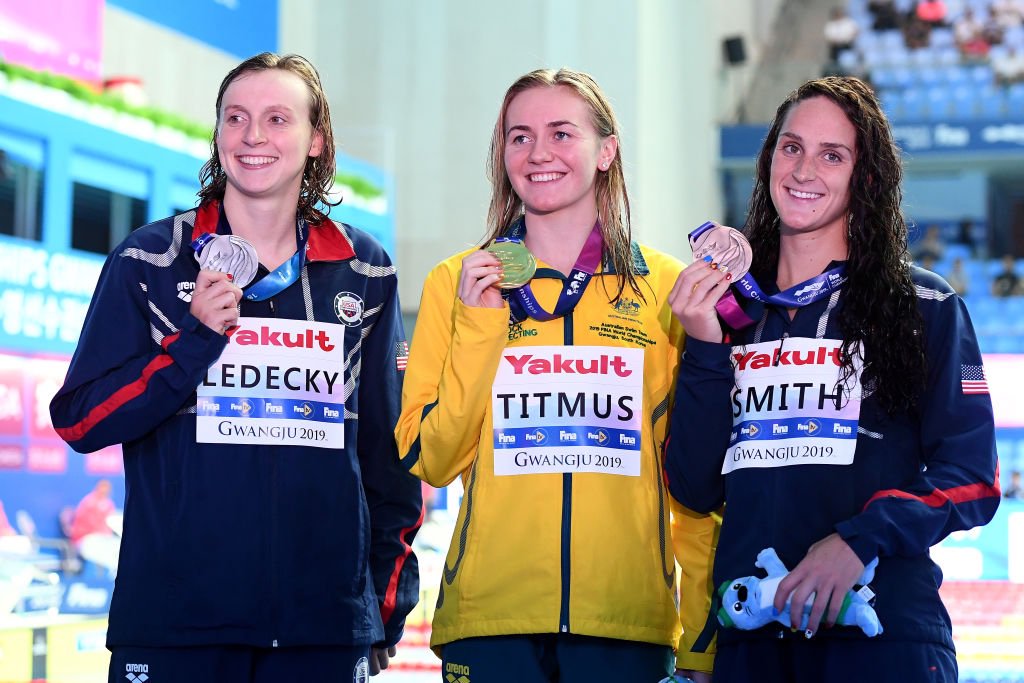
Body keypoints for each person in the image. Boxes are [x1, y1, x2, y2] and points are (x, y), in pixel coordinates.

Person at [49, 52, 421, 682]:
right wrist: (192, 343)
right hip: (175, 624)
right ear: (218, 134)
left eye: (278, 119)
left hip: (323, 628)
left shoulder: (363, 268)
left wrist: (385, 604)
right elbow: (81, 420)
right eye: (236, 118)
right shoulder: (152, 260)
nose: (254, 136)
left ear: (315, 141)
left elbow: (388, 457)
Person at [663, 76, 1001, 683]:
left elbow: (973, 479)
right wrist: (706, 347)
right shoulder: (732, 315)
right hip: (752, 646)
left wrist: (857, 540)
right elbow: (693, 488)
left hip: (881, 637)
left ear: (865, 178)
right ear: (769, 160)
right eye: (791, 148)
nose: (805, 170)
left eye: (832, 155)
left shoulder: (921, 303)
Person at [395, 68, 719, 683]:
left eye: (561, 133)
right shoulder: (455, 282)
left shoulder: (667, 288)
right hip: (490, 623)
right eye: (519, 137)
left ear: (607, 151)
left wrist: (701, 638)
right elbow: (429, 458)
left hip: (627, 622)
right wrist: (480, 328)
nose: (538, 152)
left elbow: (695, 483)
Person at [69, 479, 120, 576]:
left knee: (120, 548)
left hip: (103, 541)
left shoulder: (109, 504)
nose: (104, 491)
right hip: (84, 540)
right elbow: (81, 528)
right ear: (97, 488)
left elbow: (111, 526)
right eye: (102, 488)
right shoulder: (88, 502)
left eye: (107, 489)